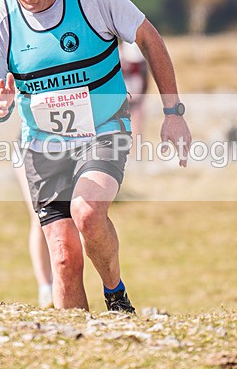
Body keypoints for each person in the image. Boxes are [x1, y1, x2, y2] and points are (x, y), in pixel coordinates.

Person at [0, 0, 191, 312]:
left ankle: (115, 293)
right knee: (63, 257)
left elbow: (149, 39)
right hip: (42, 144)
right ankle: (77, 347)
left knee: (88, 213)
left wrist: (173, 113)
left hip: (104, 130)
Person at [16, 41, 150, 309]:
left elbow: (139, 102)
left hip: (90, 142)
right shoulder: (65, 49)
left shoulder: (134, 62)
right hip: (36, 145)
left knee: (86, 214)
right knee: (41, 220)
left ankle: (111, 295)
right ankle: (46, 289)